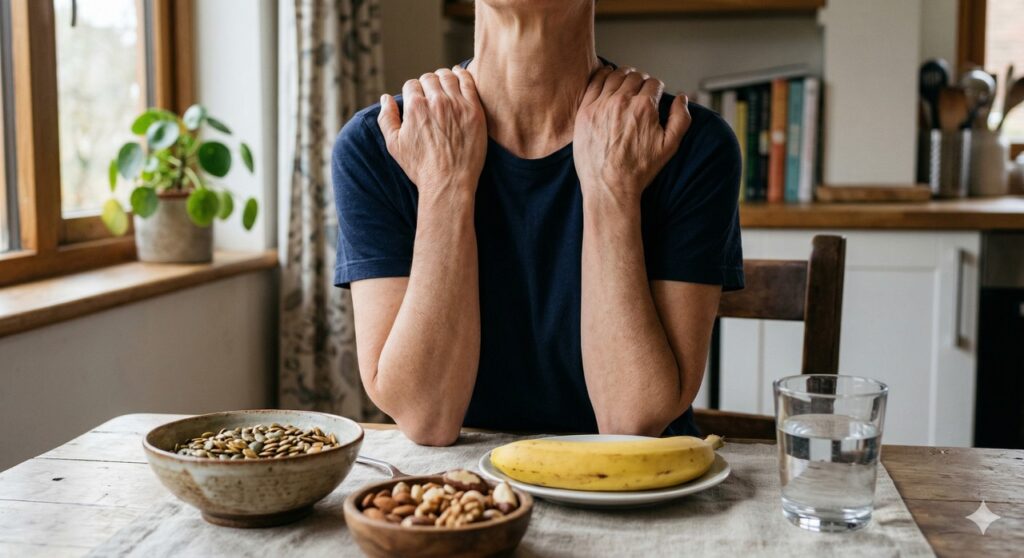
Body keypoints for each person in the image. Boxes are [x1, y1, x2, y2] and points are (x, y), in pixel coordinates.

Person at [332, 0, 743, 446]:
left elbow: (633, 422)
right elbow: (425, 417)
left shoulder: (690, 144)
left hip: (637, 493)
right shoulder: (380, 144)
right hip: (459, 491)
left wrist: (611, 188)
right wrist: (444, 184)